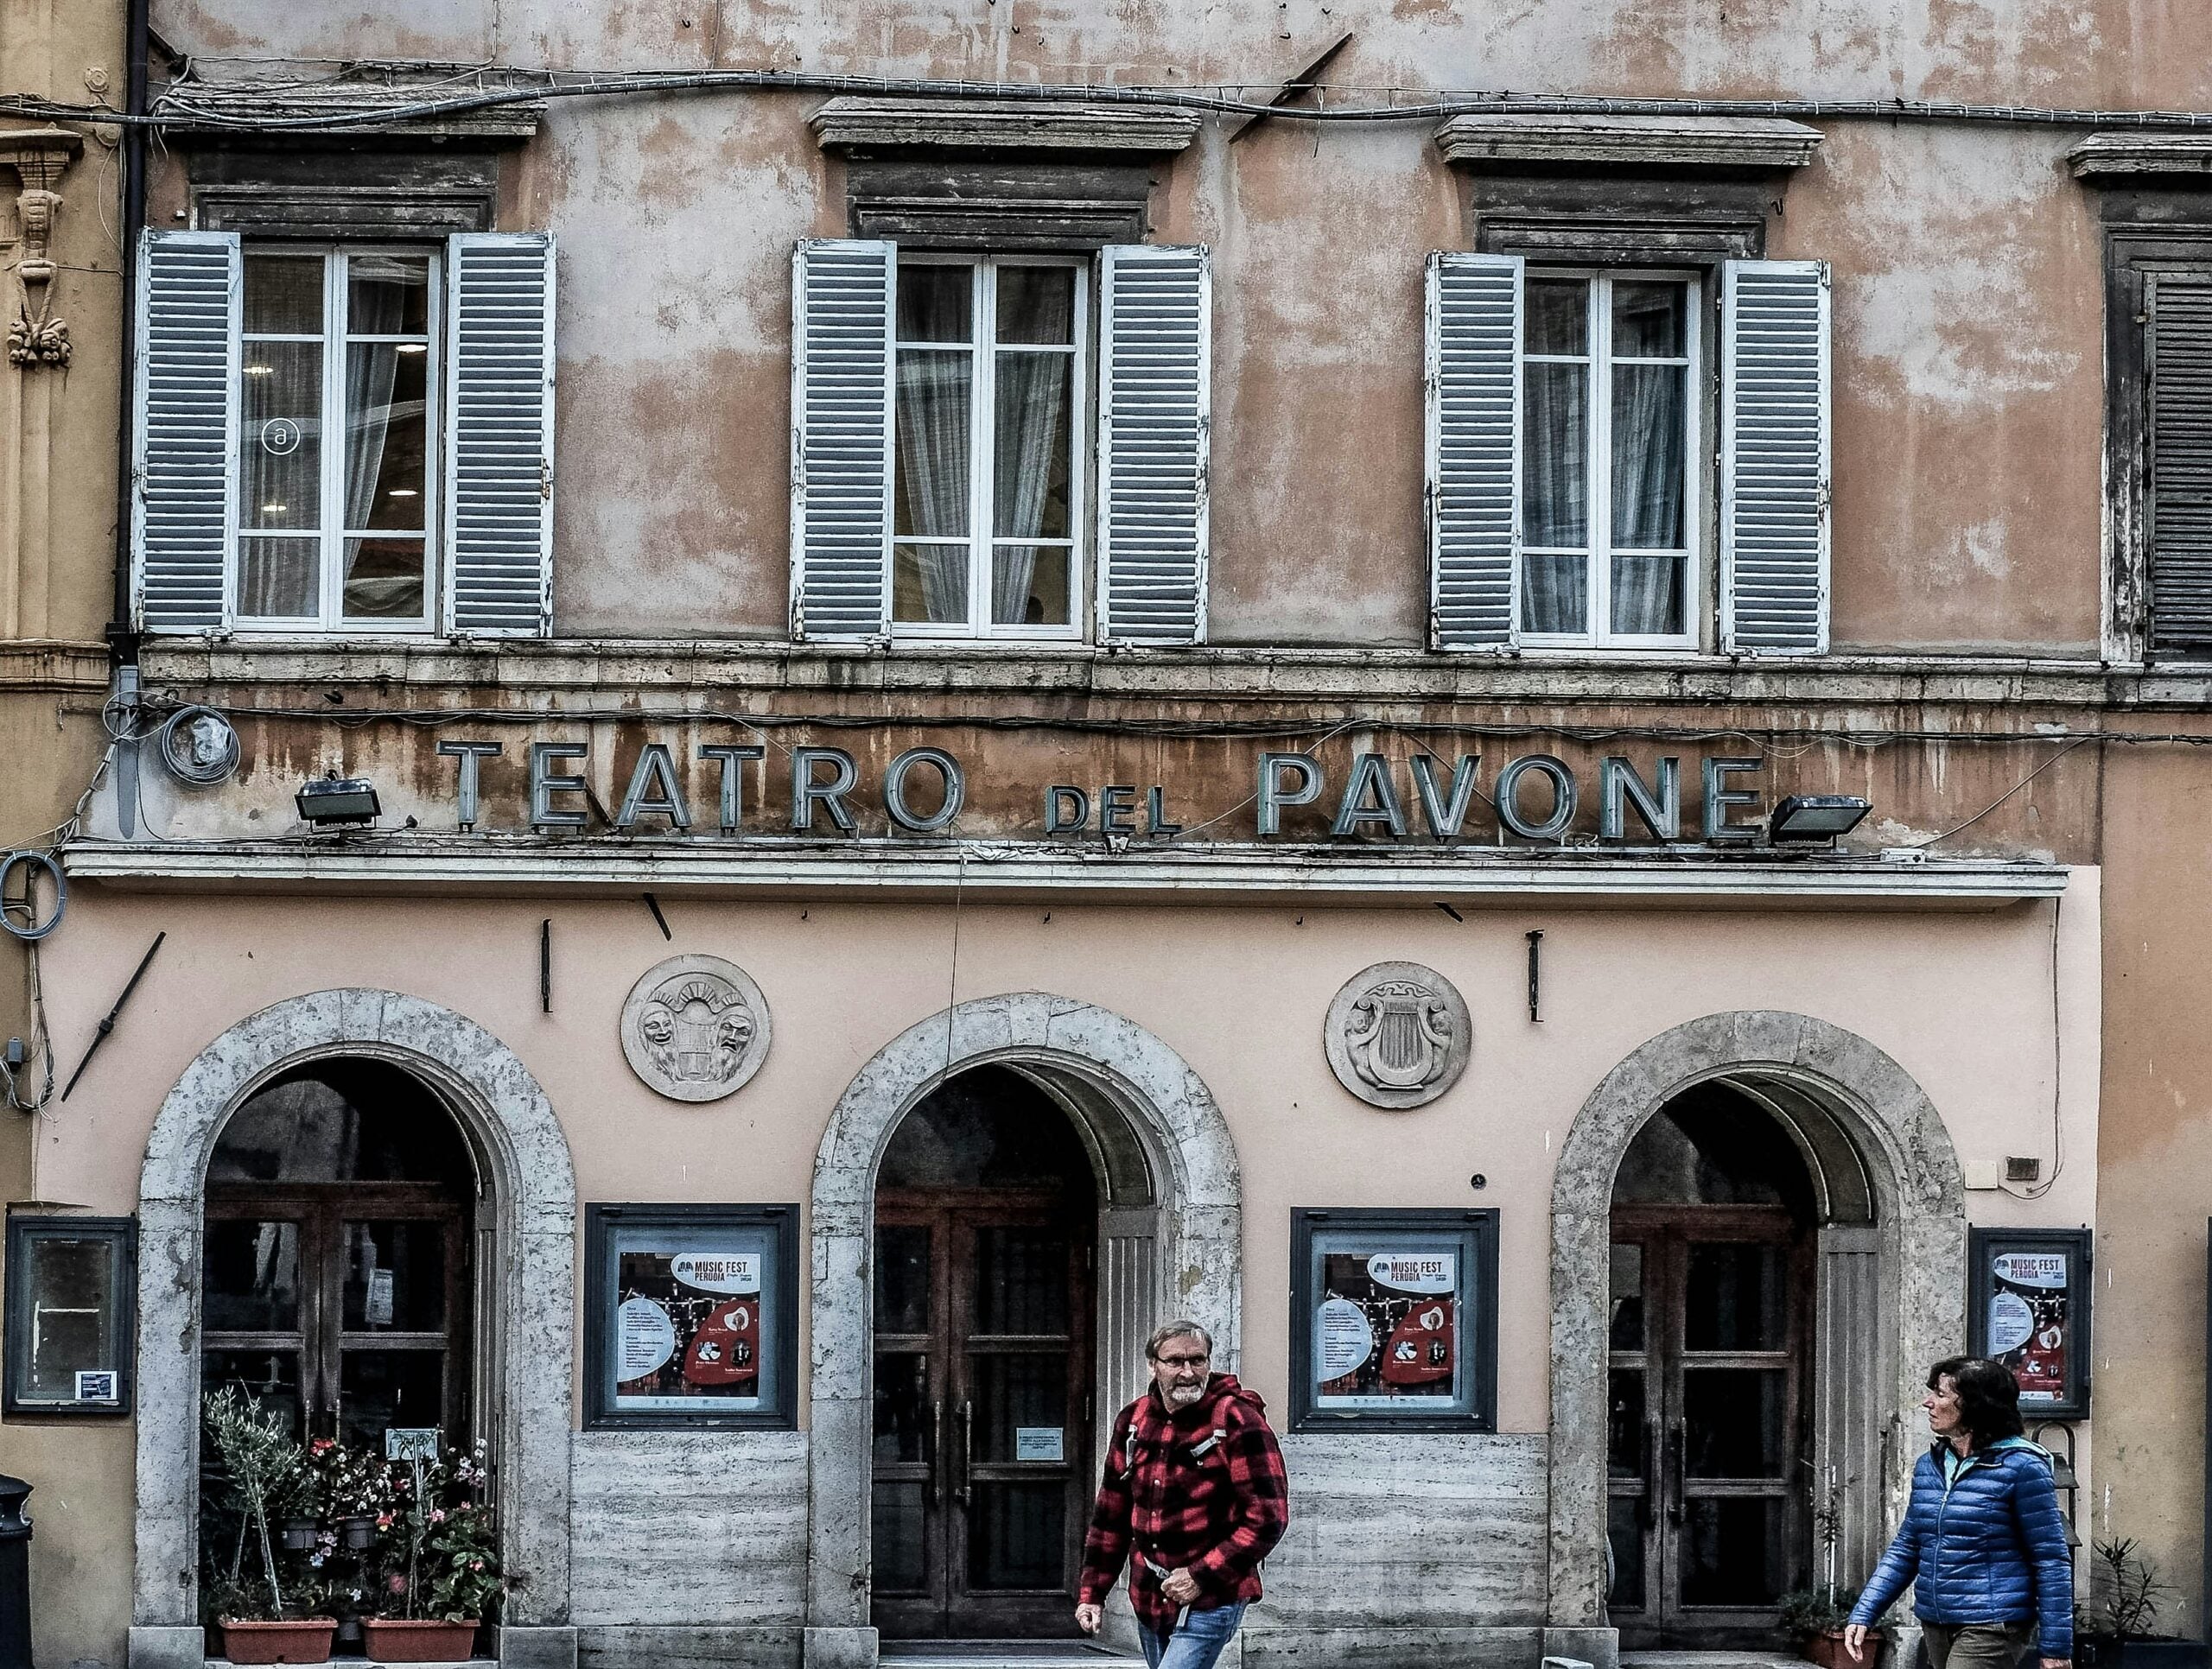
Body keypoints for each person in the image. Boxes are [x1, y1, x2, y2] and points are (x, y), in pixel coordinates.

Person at [1076, 1319, 1289, 1669]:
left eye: (1198, 1360)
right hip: (1150, 1593)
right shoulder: (1134, 1421)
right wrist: (1092, 1594)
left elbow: (1269, 1517)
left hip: (1214, 1593)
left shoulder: (1237, 1420)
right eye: (1175, 1362)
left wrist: (1199, 1576)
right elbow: (1111, 1516)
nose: (1188, 1372)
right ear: (1153, 1365)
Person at [1845, 1356, 2073, 1669]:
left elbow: (2050, 1558)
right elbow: (1907, 1547)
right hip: (1937, 1620)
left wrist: (2056, 1648)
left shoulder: (2023, 1467)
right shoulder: (1931, 1466)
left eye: (1940, 1394)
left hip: (1993, 1623)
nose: (1928, 1402)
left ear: (1975, 1405)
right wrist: (1865, 1612)